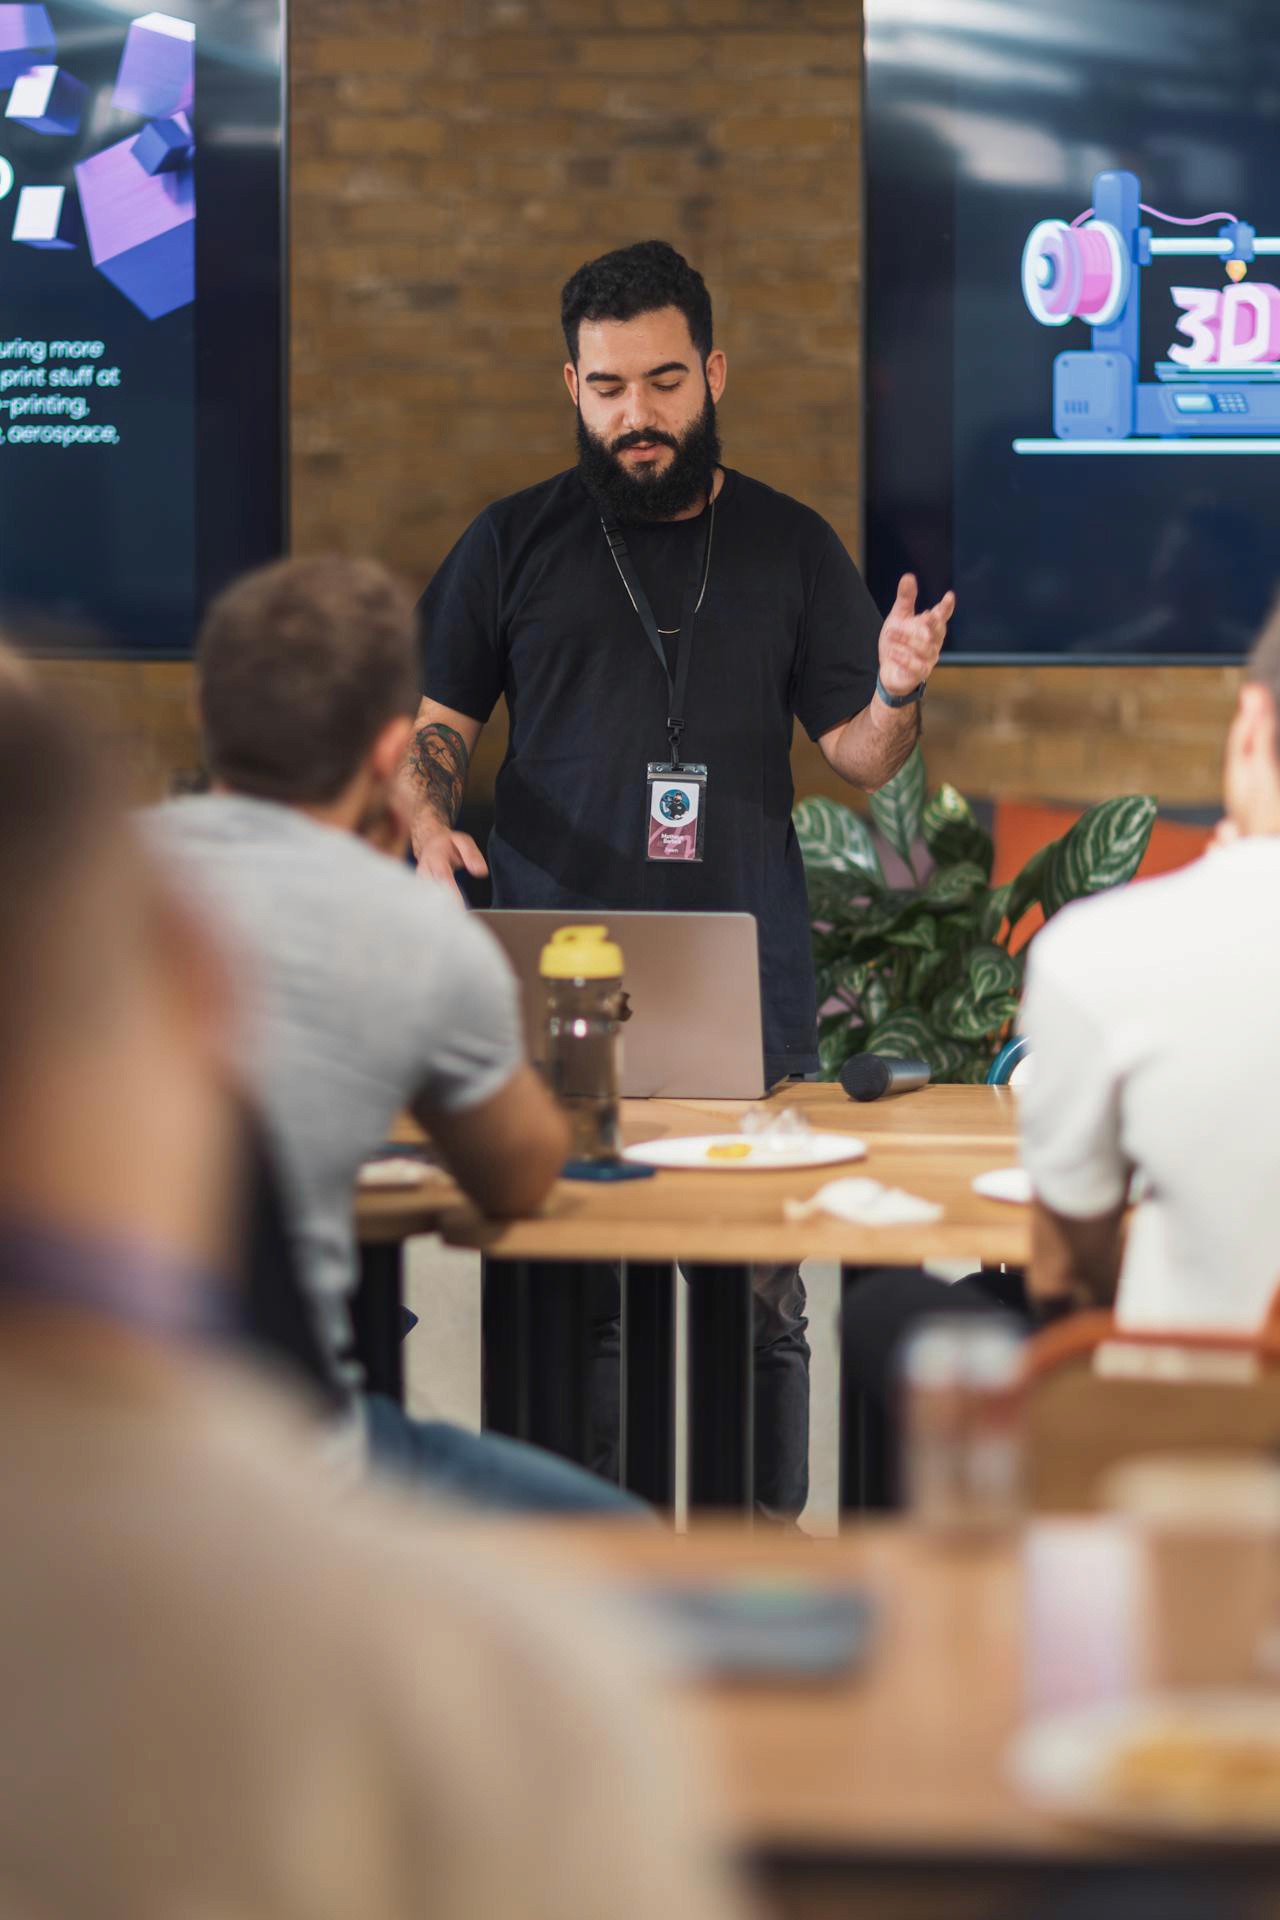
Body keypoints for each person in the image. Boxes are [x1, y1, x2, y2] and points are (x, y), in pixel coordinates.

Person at [0, 654, 744, 1920]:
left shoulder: (139, 861)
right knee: (646, 1571)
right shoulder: (494, 1701)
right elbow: (517, 1178)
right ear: (191, 987)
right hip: (310, 1453)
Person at [403, 239, 955, 1518]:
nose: (635, 417)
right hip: (558, 1001)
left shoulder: (790, 546)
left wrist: (893, 690)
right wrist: (429, 830)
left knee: (764, 1307)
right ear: (571, 386)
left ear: (712, 373)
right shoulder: (509, 544)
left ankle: (756, 1556)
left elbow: (861, 759)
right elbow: (433, 736)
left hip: (742, 993)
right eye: (607, 389)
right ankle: (592, 1575)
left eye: (662, 383)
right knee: (573, 1314)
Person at [148, 554, 641, 1513]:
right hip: (278, 1467)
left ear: (210, 719)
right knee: (616, 1530)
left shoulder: (74, 873)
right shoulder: (408, 931)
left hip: (52, 1452)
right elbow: (522, 1172)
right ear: (387, 755)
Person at [842, 600, 1280, 1475]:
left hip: (1176, 1441)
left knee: (897, 1310)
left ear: (1251, 726)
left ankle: (967, 1600)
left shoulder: (1104, 952)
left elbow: (1065, 1279)